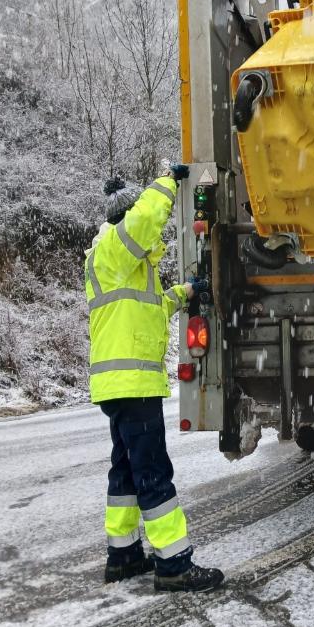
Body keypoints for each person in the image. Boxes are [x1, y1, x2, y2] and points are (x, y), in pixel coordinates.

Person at [85, 164, 224, 593]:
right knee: (152, 469)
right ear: (120, 218)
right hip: (131, 383)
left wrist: (185, 293)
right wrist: (167, 180)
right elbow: (143, 221)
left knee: (126, 469)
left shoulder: (119, 265)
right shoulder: (113, 246)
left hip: (120, 385)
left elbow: (149, 310)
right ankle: (173, 562)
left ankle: (123, 555)